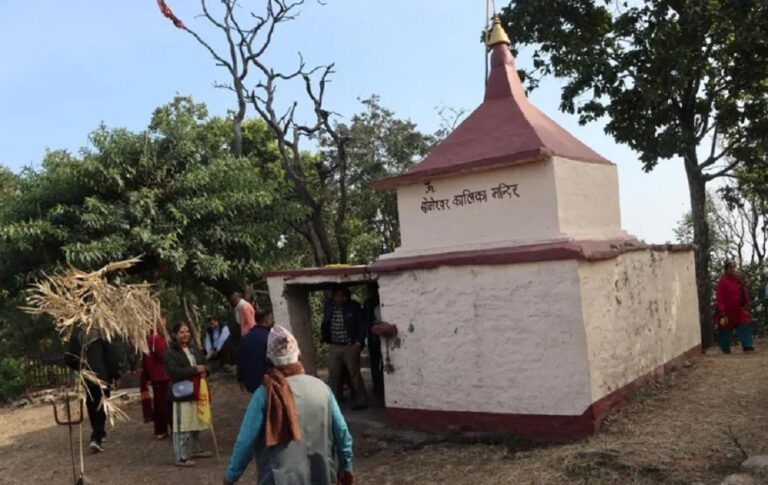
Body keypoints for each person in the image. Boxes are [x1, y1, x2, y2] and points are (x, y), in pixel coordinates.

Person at [223, 325, 354, 485]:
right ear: (298, 355)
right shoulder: (322, 389)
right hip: (322, 475)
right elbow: (342, 434)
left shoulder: (265, 394)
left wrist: (231, 476)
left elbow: (245, 442)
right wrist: (346, 466)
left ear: (269, 360)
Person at [163, 322, 213, 467]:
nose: (185, 335)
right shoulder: (170, 353)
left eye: (187, 332)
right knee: (182, 424)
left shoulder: (194, 348)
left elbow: (205, 364)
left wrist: (205, 371)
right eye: (181, 332)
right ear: (175, 334)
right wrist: (195, 370)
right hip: (181, 392)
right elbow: (174, 372)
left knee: (196, 420)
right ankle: (181, 456)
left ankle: (196, 448)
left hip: (197, 389)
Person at [65, 328, 121, 453]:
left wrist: (80, 367)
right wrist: (115, 375)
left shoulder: (77, 336)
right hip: (102, 378)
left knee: (92, 406)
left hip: (87, 378)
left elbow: (69, 358)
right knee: (101, 407)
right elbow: (109, 357)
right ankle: (96, 438)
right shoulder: (102, 335)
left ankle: (100, 432)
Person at [321, 285, 368, 410]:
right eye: (339, 296)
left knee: (354, 374)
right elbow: (325, 322)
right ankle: (332, 402)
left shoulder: (354, 306)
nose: (342, 299)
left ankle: (362, 401)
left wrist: (358, 342)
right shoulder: (328, 306)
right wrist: (324, 336)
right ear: (334, 296)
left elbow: (362, 325)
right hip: (334, 345)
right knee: (333, 375)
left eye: (344, 296)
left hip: (350, 345)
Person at [140, 318, 172, 439]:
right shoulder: (156, 339)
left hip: (157, 376)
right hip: (161, 375)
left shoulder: (150, 338)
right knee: (165, 404)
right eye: (162, 320)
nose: (165, 322)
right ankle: (168, 428)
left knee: (159, 404)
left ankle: (160, 430)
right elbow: (163, 356)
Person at [716, 260, 754, 353]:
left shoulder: (738, 280)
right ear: (726, 270)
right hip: (726, 311)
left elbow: (744, 294)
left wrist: (743, 284)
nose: (733, 270)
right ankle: (725, 348)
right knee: (725, 329)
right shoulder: (722, 281)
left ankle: (747, 345)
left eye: (734, 267)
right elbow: (719, 296)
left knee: (744, 324)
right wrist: (721, 309)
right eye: (730, 268)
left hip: (738, 310)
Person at [237, 309, 273, 394]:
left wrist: (240, 380)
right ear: (266, 319)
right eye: (271, 318)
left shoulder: (244, 339)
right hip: (269, 381)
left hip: (251, 383)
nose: (272, 321)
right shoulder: (270, 337)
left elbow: (240, 361)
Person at [364, 284, 384, 397]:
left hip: (374, 337)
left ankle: (378, 386)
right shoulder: (375, 306)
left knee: (376, 363)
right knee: (378, 363)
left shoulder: (371, 304)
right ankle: (379, 386)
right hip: (375, 338)